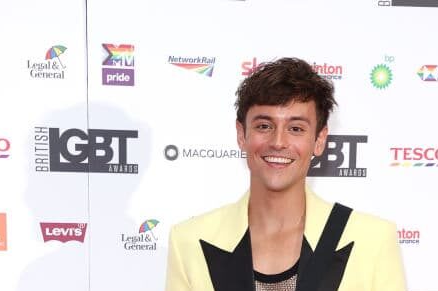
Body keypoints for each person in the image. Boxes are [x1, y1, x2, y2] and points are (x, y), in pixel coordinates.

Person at [165, 58, 406, 291]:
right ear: (241, 134)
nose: (278, 142)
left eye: (296, 129)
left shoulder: (372, 239)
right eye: (264, 126)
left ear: (320, 140)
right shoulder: (188, 241)